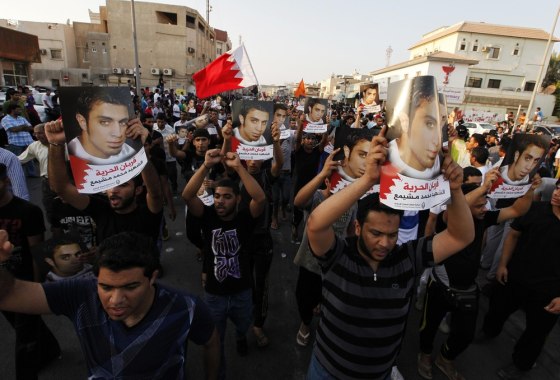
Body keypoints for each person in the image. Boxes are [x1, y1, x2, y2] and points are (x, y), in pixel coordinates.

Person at [305, 127, 475, 380]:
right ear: (357, 227)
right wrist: (367, 181)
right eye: (375, 233)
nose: (385, 243)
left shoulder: (407, 258)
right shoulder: (338, 256)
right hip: (328, 371)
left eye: (392, 235)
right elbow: (316, 224)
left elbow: (461, 237)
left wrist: (456, 190)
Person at [0, 230, 220, 379]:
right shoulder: (80, 293)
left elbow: (211, 342)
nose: (115, 301)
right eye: (105, 287)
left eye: (130, 287)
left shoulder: (186, 307)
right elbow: (10, 295)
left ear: (152, 277)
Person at [417, 169, 539, 380]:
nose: (484, 208)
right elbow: (458, 205)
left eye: (485, 204)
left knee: (465, 334)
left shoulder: (485, 218)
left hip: (468, 289)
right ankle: (425, 356)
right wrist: (482, 188)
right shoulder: (448, 219)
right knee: (429, 327)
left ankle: (445, 358)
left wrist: (530, 190)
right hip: (439, 287)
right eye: (479, 205)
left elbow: (518, 210)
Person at [182, 149, 266, 378]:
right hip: (214, 295)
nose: (220, 201)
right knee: (214, 339)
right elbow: (188, 196)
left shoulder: (244, 220)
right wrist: (206, 166)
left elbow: (260, 199)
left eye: (227, 196)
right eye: (217, 196)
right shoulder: (207, 216)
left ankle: (240, 336)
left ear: (238, 199)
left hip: (242, 291)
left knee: (242, 324)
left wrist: (239, 167)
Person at [481, 179, 560, 380]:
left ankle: (521, 364)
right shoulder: (536, 209)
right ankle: (488, 332)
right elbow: (513, 235)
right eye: (558, 187)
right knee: (497, 309)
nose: (557, 193)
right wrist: (502, 265)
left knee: (536, 333)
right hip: (515, 277)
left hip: (549, 292)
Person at [45, 119, 164, 246]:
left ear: (138, 190)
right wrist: (56, 144)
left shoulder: (147, 212)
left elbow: (155, 193)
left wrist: (141, 152)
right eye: (110, 184)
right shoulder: (101, 210)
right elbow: (61, 188)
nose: (113, 190)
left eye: (123, 185)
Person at [387, 76, 442, 179]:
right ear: (405, 121)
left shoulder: (441, 163)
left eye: (440, 126)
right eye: (429, 124)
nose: (437, 141)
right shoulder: (383, 158)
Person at [67, 88, 137, 165]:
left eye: (123, 122)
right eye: (105, 122)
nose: (118, 134)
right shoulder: (68, 152)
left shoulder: (130, 152)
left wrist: (143, 150)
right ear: (82, 122)